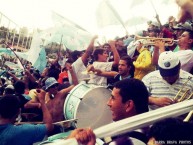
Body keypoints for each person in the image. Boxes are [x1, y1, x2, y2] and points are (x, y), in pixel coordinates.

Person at [70, 78, 150, 145]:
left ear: (128, 105)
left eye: (113, 98)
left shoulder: (126, 141)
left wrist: (70, 141)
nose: (108, 103)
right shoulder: (148, 126)